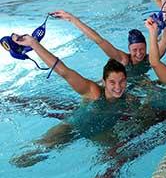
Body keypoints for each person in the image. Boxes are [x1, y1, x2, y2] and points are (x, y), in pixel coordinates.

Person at [9, 33, 131, 167]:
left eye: (122, 81)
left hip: (102, 133)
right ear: (104, 81)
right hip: (72, 127)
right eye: (112, 82)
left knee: (121, 159)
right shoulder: (93, 92)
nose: (118, 87)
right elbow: (63, 71)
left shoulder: (128, 99)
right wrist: (33, 43)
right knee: (31, 155)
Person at [50, 10, 166, 70]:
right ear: (128, 48)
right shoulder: (123, 59)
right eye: (135, 49)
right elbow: (99, 40)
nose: (138, 53)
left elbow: (165, 40)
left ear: (147, 47)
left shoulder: (151, 59)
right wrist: (72, 19)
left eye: (142, 49)